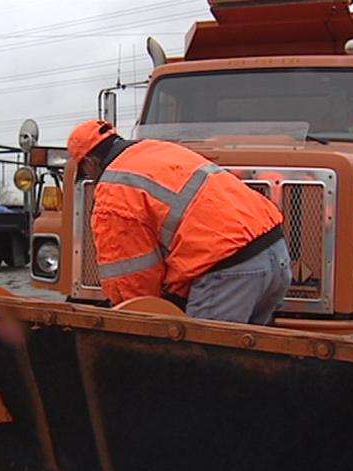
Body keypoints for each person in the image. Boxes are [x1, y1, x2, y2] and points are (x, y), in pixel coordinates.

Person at [67, 119, 291, 325]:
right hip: (275, 254)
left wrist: (135, 323)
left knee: (202, 361)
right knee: (246, 358)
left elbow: (132, 279)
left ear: (89, 162)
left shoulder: (114, 189)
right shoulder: (157, 149)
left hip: (229, 271)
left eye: (86, 173)